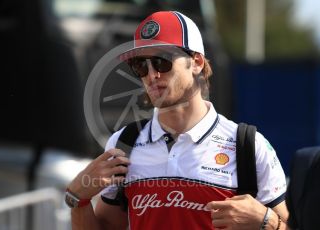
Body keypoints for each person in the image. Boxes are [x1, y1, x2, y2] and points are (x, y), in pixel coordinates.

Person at [67, 11, 289, 229]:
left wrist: (267, 221)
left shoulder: (248, 145)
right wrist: (77, 199)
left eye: (161, 61)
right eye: (140, 66)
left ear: (197, 62)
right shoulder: (124, 143)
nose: (152, 75)